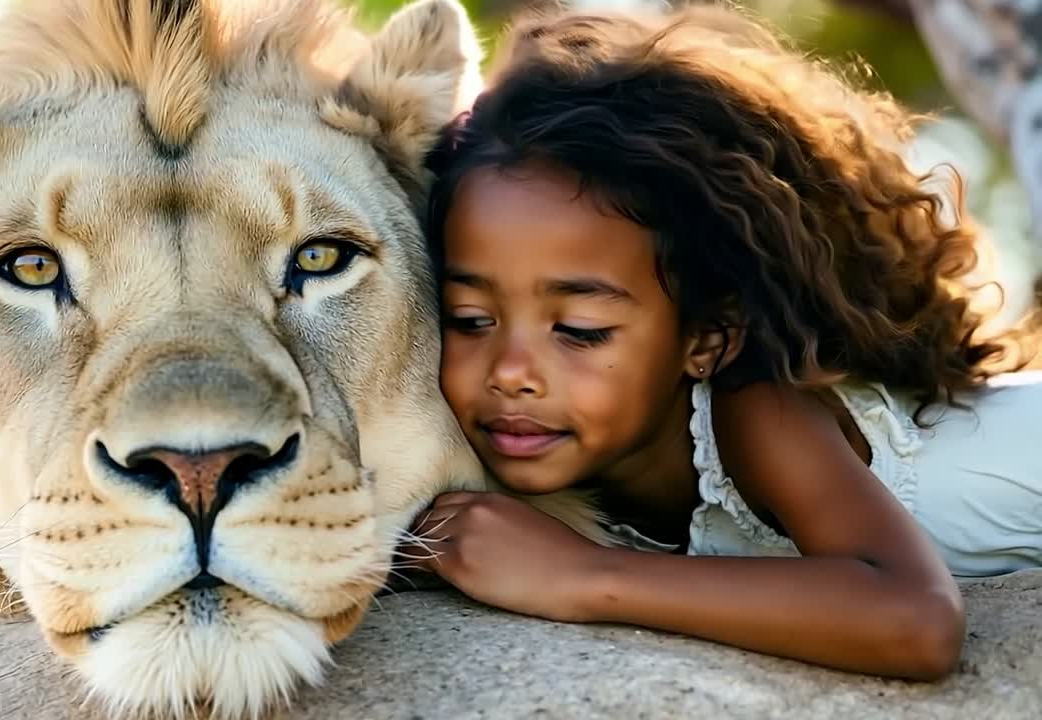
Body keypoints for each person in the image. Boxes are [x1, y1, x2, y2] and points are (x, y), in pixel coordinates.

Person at [407, 5, 1042, 682]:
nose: (510, 372)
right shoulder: (552, 444)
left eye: (580, 331)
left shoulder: (753, 411)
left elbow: (917, 622)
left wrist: (583, 575)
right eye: (470, 319)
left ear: (707, 338)